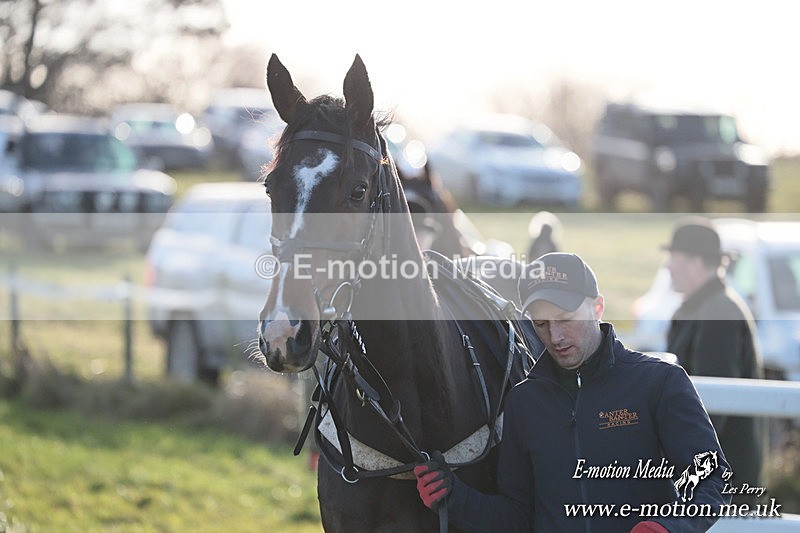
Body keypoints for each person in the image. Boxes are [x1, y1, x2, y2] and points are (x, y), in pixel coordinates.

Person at [414, 252, 730, 532]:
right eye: (540, 324)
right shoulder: (524, 401)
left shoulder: (661, 382)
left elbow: (713, 481)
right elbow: (517, 516)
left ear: (597, 307)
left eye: (566, 319)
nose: (555, 336)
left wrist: (669, 527)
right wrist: (453, 496)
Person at [663, 217, 765, 504]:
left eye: (673, 257)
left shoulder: (719, 312)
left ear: (696, 263)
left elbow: (711, 407)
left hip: (717, 487)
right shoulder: (708, 307)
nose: (668, 266)